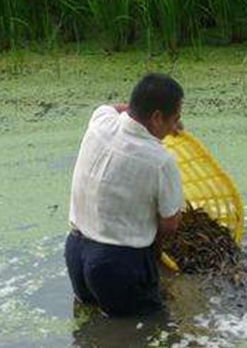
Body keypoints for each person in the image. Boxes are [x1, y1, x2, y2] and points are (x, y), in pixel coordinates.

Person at [65, 72, 185, 317]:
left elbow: (115, 108)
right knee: (146, 335)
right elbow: (170, 224)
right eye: (175, 120)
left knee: (93, 330)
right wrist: (155, 253)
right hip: (117, 265)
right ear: (157, 117)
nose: (176, 129)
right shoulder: (160, 161)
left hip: (76, 251)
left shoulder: (100, 121)